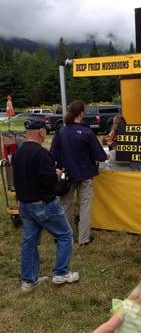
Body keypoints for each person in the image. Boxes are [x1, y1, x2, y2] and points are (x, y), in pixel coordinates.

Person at [12, 117, 79, 293]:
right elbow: (48, 182)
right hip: (43, 204)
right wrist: (56, 173)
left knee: (30, 241)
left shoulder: (18, 151)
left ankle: (28, 281)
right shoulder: (42, 154)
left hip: (25, 205)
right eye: (45, 131)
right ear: (41, 132)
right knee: (65, 234)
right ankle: (61, 273)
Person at [50, 100, 108, 246]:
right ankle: (84, 239)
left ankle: (64, 237)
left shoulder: (61, 131)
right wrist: (107, 156)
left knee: (65, 206)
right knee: (85, 206)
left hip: (66, 176)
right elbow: (100, 156)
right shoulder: (87, 132)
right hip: (85, 175)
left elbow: (52, 155)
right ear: (81, 113)